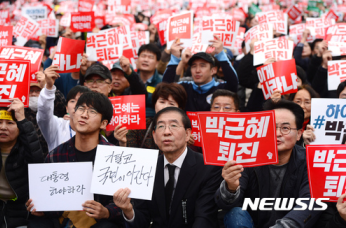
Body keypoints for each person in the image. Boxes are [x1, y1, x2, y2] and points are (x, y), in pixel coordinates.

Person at [216, 99, 322, 228]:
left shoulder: (310, 161)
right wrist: (230, 188)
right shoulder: (246, 156)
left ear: (299, 134)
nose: (277, 134)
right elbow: (224, 204)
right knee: (235, 213)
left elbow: (309, 203)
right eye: (271, 127)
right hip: (251, 223)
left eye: (285, 128)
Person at [113, 107, 222, 227]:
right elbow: (143, 219)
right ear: (154, 136)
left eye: (173, 126)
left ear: (187, 134)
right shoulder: (146, 167)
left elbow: (204, 217)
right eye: (161, 126)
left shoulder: (207, 168)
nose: (166, 132)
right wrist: (128, 211)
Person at [27, 92, 124, 228]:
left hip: (99, 222)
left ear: (103, 123)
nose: (84, 115)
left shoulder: (115, 157)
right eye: (81, 109)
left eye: (92, 111)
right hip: (64, 220)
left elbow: (126, 204)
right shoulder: (56, 155)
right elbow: (52, 201)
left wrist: (106, 212)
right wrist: (41, 207)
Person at [0, 99, 43, 228]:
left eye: (10, 123)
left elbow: (37, 163)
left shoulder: (26, 149)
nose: (3, 127)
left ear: (19, 128)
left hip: (21, 214)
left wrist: (22, 119)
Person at [163, 36, 238, 111]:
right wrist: (175, 58)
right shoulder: (184, 87)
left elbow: (233, 83)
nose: (197, 70)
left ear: (213, 70)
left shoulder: (222, 88)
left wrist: (221, 55)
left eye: (202, 66)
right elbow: (165, 88)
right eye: (194, 66)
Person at [37, 64, 91, 152]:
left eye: (82, 101)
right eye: (73, 101)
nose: (77, 105)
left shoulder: (95, 131)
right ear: (66, 108)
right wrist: (49, 87)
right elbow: (44, 113)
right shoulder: (57, 126)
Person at [123, 82, 187, 150]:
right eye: (162, 102)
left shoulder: (184, 131)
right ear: (155, 103)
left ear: (179, 108)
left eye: (171, 104)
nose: (165, 107)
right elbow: (131, 153)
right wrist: (123, 143)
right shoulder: (140, 125)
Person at [136, 43, 162, 117]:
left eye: (150, 57)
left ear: (157, 63)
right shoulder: (129, 80)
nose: (146, 60)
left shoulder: (162, 82)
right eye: (143, 56)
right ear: (137, 59)